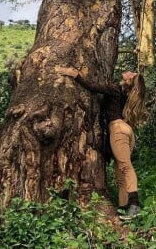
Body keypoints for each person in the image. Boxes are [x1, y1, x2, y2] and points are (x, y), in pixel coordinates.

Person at [57, 66, 147, 220]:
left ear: (128, 81)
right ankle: (123, 209)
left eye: (132, 74)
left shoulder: (115, 89)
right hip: (126, 131)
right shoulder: (125, 93)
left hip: (118, 130)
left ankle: (134, 204)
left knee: (125, 167)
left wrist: (75, 75)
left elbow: (93, 87)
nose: (129, 71)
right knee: (120, 174)